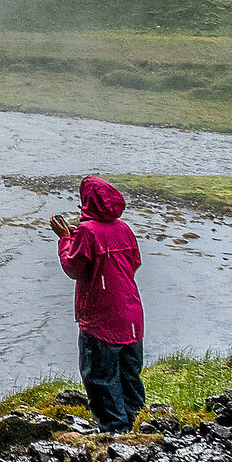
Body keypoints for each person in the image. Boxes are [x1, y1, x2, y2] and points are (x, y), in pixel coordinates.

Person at [51, 174, 145, 432]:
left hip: (100, 317)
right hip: (132, 314)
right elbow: (135, 263)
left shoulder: (86, 231)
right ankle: (138, 424)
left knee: (100, 378)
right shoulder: (124, 229)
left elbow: (73, 267)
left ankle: (115, 432)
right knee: (129, 376)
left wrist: (64, 238)